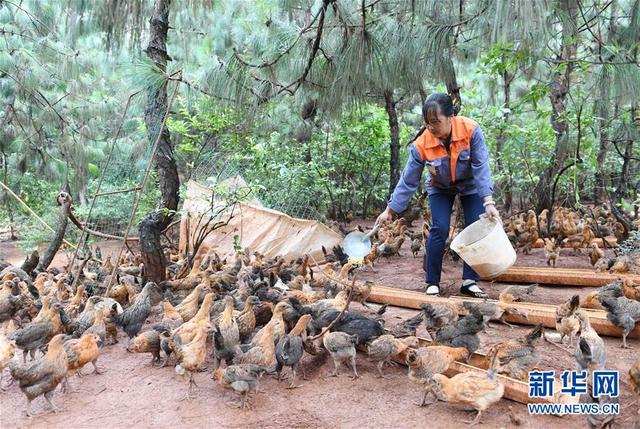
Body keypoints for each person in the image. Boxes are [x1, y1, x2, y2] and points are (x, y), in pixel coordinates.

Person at [376, 93, 500, 298]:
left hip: (471, 186)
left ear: (451, 117)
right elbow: (409, 180)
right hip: (440, 187)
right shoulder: (421, 144)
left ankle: (470, 281)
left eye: (436, 122)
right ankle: (432, 282)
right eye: (427, 123)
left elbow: (481, 167)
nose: (431, 127)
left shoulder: (471, 130)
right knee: (439, 228)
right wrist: (390, 210)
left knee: (474, 227)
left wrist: (488, 201)